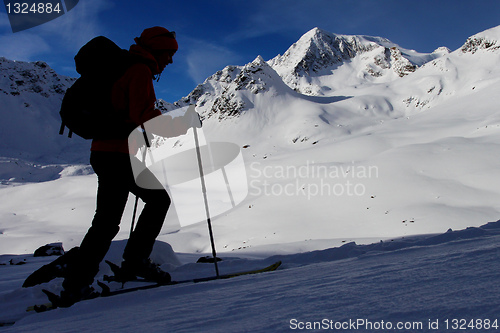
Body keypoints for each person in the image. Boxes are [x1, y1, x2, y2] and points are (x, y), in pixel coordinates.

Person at [60, 27, 195, 306]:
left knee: (108, 220)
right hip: (116, 155)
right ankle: (126, 265)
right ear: (157, 50)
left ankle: (81, 280)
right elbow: (144, 117)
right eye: (169, 53)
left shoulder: (123, 67)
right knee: (154, 202)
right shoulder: (139, 70)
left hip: (105, 152)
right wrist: (182, 124)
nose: (170, 60)